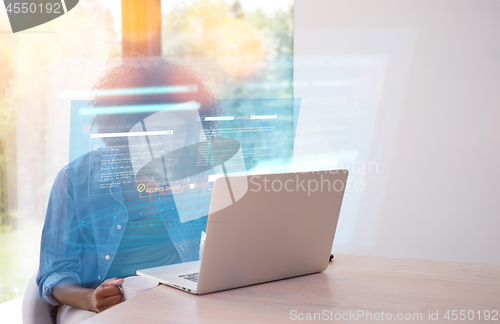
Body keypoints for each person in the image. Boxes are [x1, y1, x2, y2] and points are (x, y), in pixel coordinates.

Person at [37, 56, 219, 324]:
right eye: (160, 132)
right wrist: (90, 298)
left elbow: (223, 239)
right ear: (127, 129)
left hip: (176, 297)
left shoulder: (192, 172)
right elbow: (55, 273)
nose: (173, 145)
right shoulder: (73, 179)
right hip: (96, 304)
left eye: (181, 132)